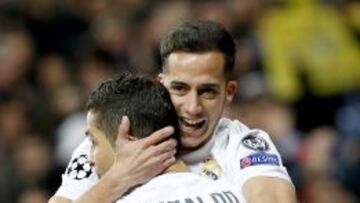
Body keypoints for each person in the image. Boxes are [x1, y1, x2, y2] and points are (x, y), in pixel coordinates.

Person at [49, 20, 296, 203]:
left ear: (229, 92)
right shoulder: (109, 142)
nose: (192, 106)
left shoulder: (243, 143)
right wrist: (119, 177)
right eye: (179, 88)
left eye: (207, 91)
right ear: (161, 84)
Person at [85, 73, 246, 202]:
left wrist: (114, 180)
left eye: (94, 142)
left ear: (132, 145)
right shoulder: (233, 192)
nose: (89, 158)